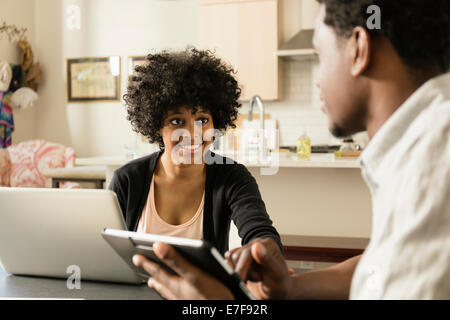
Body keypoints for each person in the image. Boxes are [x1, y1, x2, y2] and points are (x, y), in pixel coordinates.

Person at [133, 0, 450, 299]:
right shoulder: (422, 142)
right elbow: (382, 267)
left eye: (319, 56)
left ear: (359, 49)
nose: (316, 80)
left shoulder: (434, 159)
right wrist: (292, 288)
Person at [109, 47, 282, 258]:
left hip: (204, 291)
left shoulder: (231, 176)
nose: (192, 133)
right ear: (156, 125)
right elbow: (106, 251)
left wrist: (262, 253)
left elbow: (260, 232)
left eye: (202, 120)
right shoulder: (128, 179)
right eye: (176, 121)